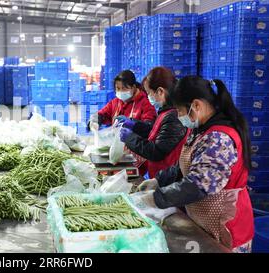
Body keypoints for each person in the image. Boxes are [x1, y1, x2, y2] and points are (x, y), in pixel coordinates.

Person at [137, 76, 254, 252]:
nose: (178, 116)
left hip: (226, 227)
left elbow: (198, 185)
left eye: (179, 110)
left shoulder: (218, 139)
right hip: (203, 221)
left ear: (196, 105)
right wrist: (158, 181)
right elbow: (184, 165)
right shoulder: (200, 130)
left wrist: (157, 198)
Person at [118, 67, 188, 178]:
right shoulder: (165, 111)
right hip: (159, 176)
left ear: (160, 91)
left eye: (149, 93)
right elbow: (155, 132)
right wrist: (134, 124)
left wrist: (130, 138)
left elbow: (157, 151)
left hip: (167, 179)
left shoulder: (174, 116)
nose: (148, 97)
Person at [87, 70, 157, 131]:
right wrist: (94, 120)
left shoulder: (146, 103)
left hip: (135, 144)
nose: (121, 91)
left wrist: (132, 123)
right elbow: (102, 114)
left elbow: (149, 126)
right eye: (118, 88)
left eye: (124, 88)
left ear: (133, 87)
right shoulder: (115, 102)